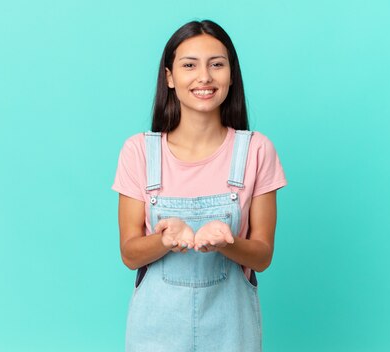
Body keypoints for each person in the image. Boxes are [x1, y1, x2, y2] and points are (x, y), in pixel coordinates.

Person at [112, 19, 287, 352]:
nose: (204, 77)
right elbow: (129, 254)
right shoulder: (138, 152)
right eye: (189, 65)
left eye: (216, 65)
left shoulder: (255, 150)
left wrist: (227, 241)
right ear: (170, 77)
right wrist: (163, 240)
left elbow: (262, 256)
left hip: (231, 332)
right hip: (155, 330)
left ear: (231, 75)